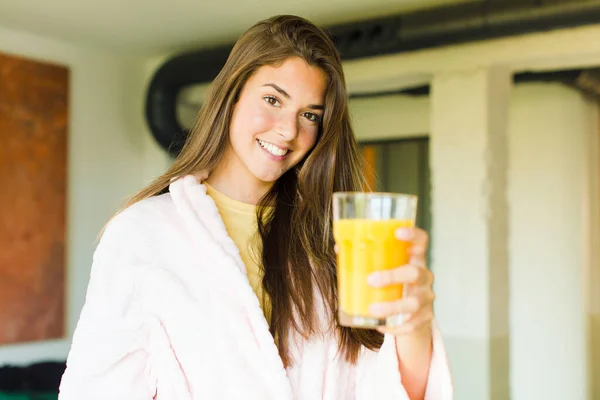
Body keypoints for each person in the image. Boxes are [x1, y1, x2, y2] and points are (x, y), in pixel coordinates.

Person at [59, 15, 452, 400]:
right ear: (232, 95)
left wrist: (413, 327)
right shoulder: (142, 235)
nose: (288, 130)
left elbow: (381, 390)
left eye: (309, 115)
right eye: (272, 99)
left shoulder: (329, 244)